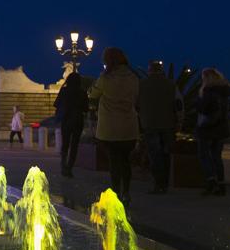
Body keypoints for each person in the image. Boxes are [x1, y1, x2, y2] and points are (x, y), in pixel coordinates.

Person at [88, 48, 140, 203]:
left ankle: (116, 191)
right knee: (125, 160)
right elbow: (136, 96)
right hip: (129, 126)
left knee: (114, 161)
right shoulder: (133, 77)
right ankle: (126, 192)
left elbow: (93, 94)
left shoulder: (106, 78)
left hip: (110, 128)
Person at [138, 61, 179, 193]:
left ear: (149, 70)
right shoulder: (171, 85)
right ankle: (165, 184)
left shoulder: (142, 85)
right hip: (168, 124)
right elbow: (179, 105)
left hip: (150, 124)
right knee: (166, 154)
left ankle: (158, 184)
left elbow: (136, 104)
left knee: (154, 155)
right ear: (161, 70)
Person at [195, 67, 230, 195]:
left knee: (204, 156)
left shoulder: (208, 92)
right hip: (220, 129)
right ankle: (221, 184)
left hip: (207, 128)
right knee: (217, 157)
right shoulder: (224, 92)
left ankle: (211, 181)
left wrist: (199, 102)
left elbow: (203, 108)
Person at [54, 72, 89, 177]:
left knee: (65, 144)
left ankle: (63, 165)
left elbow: (56, 104)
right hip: (78, 120)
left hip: (66, 120)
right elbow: (85, 109)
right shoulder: (82, 92)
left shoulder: (64, 91)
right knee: (74, 146)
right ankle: (69, 168)